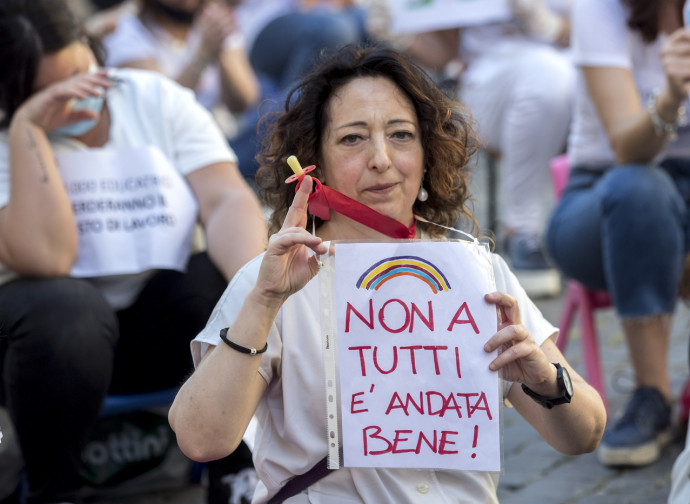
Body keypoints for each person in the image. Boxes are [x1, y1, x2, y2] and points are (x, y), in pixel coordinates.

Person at [168, 44, 606, 503]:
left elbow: (585, 434)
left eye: (400, 135)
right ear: (312, 162)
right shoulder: (272, 279)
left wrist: (544, 379)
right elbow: (202, 440)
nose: (381, 158)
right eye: (352, 139)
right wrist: (262, 303)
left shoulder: (478, 273)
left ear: (427, 151)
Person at [0, 0, 267, 502]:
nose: (82, 101)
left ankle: (235, 469)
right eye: (54, 92)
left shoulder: (151, 98)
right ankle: (54, 488)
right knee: (65, 309)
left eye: (84, 73)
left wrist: (254, 287)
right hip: (45, 349)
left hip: (156, 327)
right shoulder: (10, 136)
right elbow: (48, 258)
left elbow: (226, 197)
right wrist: (29, 131)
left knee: (218, 279)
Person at [545, 0, 690, 467]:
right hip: (603, 196)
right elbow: (629, 148)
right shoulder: (600, 8)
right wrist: (672, 93)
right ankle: (652, 395)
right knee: (640, 189)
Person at [365, 0, 574, 299]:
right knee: (550, 77)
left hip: (579, 69)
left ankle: (586, 232)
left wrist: (548, 25)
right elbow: (448, 53)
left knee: (563, 76)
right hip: (495, 75)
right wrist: (401, 30)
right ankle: (524, 229)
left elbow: (605, 31)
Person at [102, 0, 261, 137]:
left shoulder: (212, 18)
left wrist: (221, 52)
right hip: (177, 146)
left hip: (229, 132)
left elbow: (245, 103)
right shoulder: (126, 32)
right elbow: (161, 109)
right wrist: (203, 56)